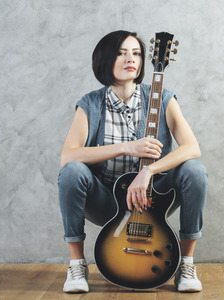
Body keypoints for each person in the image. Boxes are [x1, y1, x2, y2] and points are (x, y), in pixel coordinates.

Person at [58, 30, 208, 293]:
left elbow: (192, 147)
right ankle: (77, 264)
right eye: (121, 52)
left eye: (136, 53)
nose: (131, 59)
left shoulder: (162, 98)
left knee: (195, 169)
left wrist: (149, 170)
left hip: (153, 200)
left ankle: (186, 264)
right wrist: (127, 147)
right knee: (72, 171)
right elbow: (68, 155)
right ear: (105, 58)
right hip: (108, 202)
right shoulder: (90, 104)